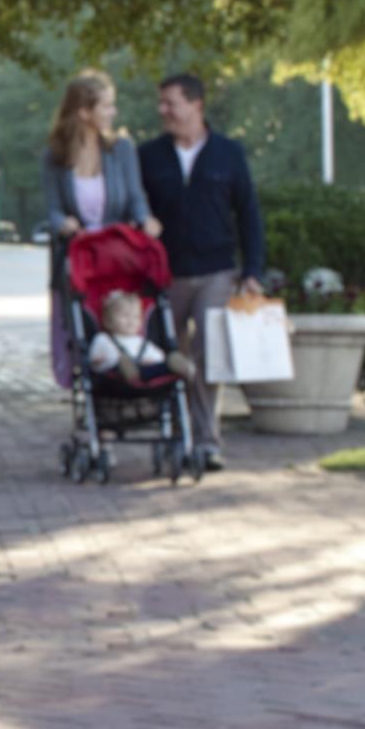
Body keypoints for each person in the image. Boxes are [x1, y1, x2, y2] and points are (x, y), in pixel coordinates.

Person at [136, 73, 264, 471]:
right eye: (161, 104)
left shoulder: (228, 153)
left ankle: (207, 442)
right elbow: (136, 210)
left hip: (216, 272)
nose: (163, 111)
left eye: (170, 103)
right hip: (166, 275)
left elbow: (249, 214)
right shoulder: (149, 156)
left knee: (209, 358)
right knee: (172, 357)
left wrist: (253, 270)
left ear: (196, 105)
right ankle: (177, 434)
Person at [41, 70, 161, 387]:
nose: (113, 113)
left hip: (114, 252)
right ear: (84, 111)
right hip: (79, 253)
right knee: (85, 322)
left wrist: (146, 220)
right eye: (106, 106)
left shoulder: (120, 150)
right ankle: (92, 388)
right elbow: (52, 209)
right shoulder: (56, 157)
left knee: (123, 316)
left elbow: (135, 197)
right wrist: (63, 224)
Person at [87, 290, 195, 385]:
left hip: (142, 370)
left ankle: (175, 363)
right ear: (108, 321)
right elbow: (94, 360)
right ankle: (128, 369)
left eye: (136, 317)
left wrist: (153, 360)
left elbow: (156, 356)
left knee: (159, 365)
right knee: (121, 364)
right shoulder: (102, 339)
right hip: (116, 375)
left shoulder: (140, 341)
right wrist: (105, 360)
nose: (131, 321)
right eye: (125, 316)